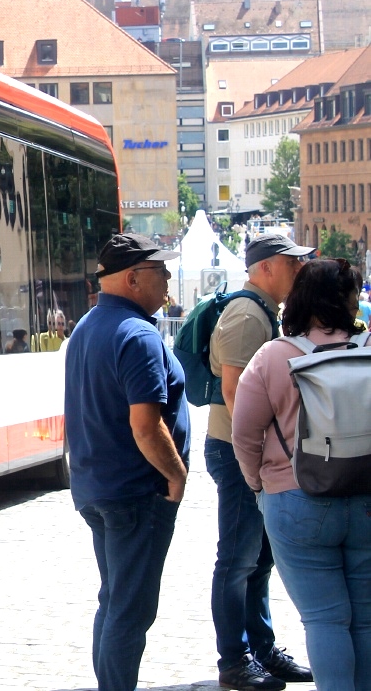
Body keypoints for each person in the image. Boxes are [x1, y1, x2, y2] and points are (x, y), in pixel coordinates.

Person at [232, 258, 371, 691]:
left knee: (325, 619)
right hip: (365, 494)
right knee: (365, 619)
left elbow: (244, 433)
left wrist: (259, 485)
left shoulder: (274, 356)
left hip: (295, 499)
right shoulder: (367, 349)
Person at [64, 233, 189, 691]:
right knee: (130, 610)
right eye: (162, 272)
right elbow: (145, 426)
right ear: (134, 279)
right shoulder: (137, 334)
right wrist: (176, 477)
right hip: (135, 493)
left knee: (114, 600)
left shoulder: (87, 326)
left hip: (99, 487)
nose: (169, 280)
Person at [205, 232, 315, 689]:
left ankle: (262, 649)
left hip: (247, 452)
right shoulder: (248, 314)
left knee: (257, 560)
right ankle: (234, 659)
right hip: (236, 452)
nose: (299, 270)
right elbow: (235, 394)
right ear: (267, 266)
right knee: (236, 560)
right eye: (292, 262)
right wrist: (256, 460)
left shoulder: (261, 311)